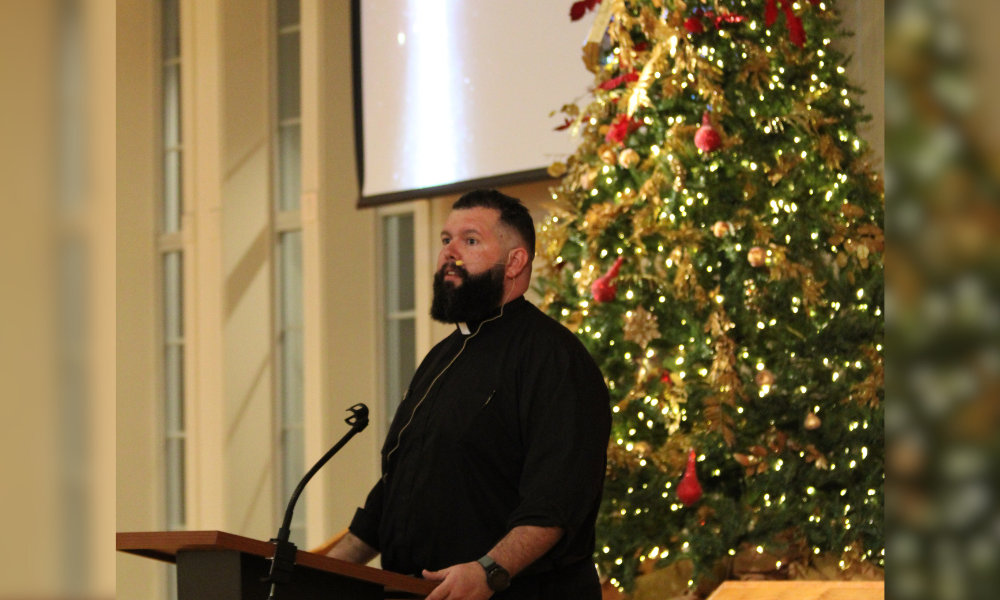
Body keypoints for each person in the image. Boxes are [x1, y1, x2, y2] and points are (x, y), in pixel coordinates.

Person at [328, 189, 611, 600]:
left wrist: (489, 571)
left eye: (470, 240)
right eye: (446, 239)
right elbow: (394, 491)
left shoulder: (554, 357)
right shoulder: (441, 357)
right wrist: (318, 571)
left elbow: (556, 501)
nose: (450, 252)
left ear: (515, 262)